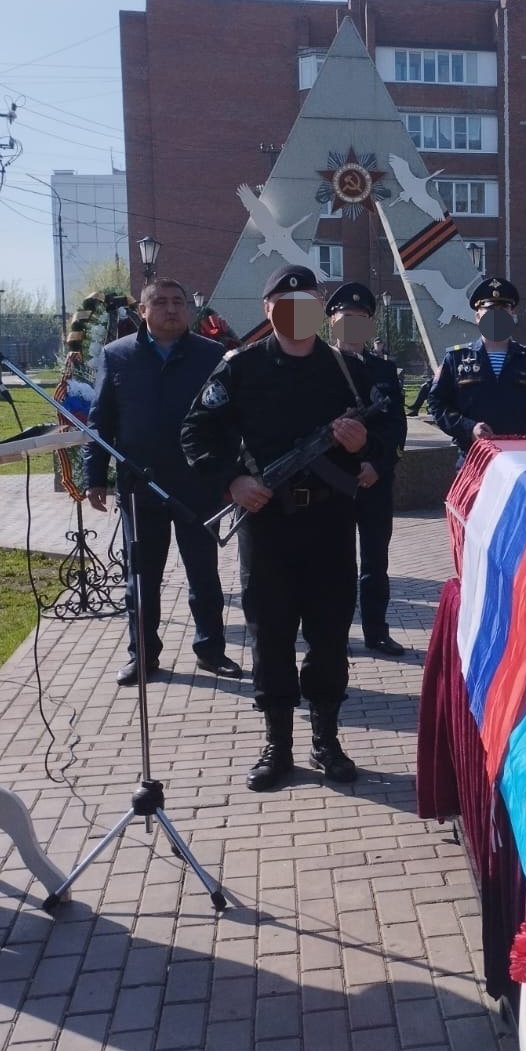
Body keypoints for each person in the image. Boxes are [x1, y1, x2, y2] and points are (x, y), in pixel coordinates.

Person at [182, 265, 384, 792]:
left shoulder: (347, 369)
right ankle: (278, 744)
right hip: (266, 521)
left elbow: (387, 434)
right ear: (267, 308)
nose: (296, 312)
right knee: (270, 634)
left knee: (329, 634)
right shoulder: (240, 367)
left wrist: (365, 449)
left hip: (330, 522)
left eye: (306, 303)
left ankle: (326, 739)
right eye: (284, 303)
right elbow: (196, 430)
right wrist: (232, 482)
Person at [85, 277, 237, 686]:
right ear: (143, 311)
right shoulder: (118, 355)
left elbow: (229, 423)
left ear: (187, 309)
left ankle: (211, 651)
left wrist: (228, 476)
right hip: (140, 488)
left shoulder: (211, 355)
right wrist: (94, 477)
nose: (171, 309)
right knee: (141, 579)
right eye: (161, 302)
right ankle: (143, 655)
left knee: (204, 575)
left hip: (197, 486)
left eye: (178, 302)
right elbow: (101, 422)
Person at [326, 282, 410, 656]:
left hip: (376, 481)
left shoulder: (384, 369)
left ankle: (377, 632)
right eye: (347, 317)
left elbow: (396, 426)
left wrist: (377, 464)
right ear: (332, 322)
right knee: (337, 564)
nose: (354, 325)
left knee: (376, 563)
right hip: (334, 482)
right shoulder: (319, 366)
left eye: (361, 318)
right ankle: (336, 635)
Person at [428, 276, 526, 465]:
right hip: (474, 459)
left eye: (503, 309)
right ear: (478, 317)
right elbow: (437, 403)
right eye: (490, 310)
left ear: (512, 315)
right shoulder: (456, 359)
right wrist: (468, 428)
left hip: (521, 462)